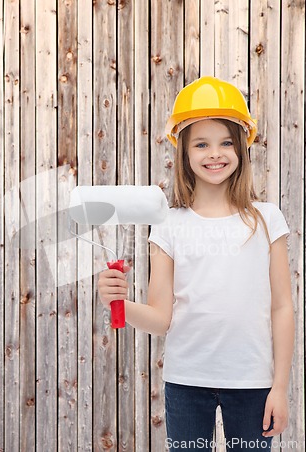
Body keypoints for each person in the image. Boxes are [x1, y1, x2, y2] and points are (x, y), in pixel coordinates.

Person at [97, 76, 295, 451]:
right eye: (201, 144)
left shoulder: (267, 219)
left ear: (241, 148)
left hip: (253, 382)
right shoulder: (169, 225)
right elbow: (160, 317)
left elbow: (282, 307)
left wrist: (280, 387)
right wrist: (117, 302)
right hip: (187, 381)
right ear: (184, 153)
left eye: (225, 143)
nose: (214, 154)